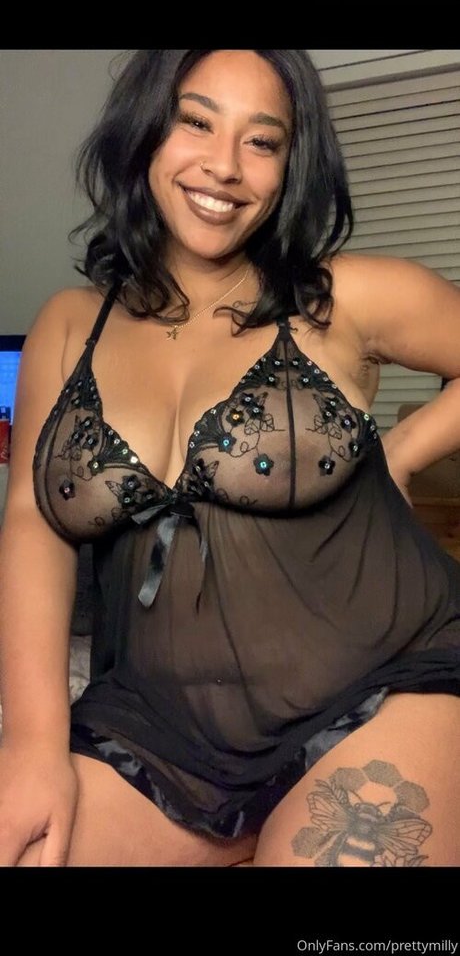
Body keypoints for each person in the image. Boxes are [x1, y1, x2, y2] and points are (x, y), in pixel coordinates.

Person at [0, 49, 459, 869]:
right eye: (196, 121)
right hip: (160, 731)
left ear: (291, 164)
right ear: (147, 129)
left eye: (262, 140)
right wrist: (33, 742)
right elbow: (36, 519)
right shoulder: (69, 326)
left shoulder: (342, 298)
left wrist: (403, 448)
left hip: (380, 687)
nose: (224, 165)